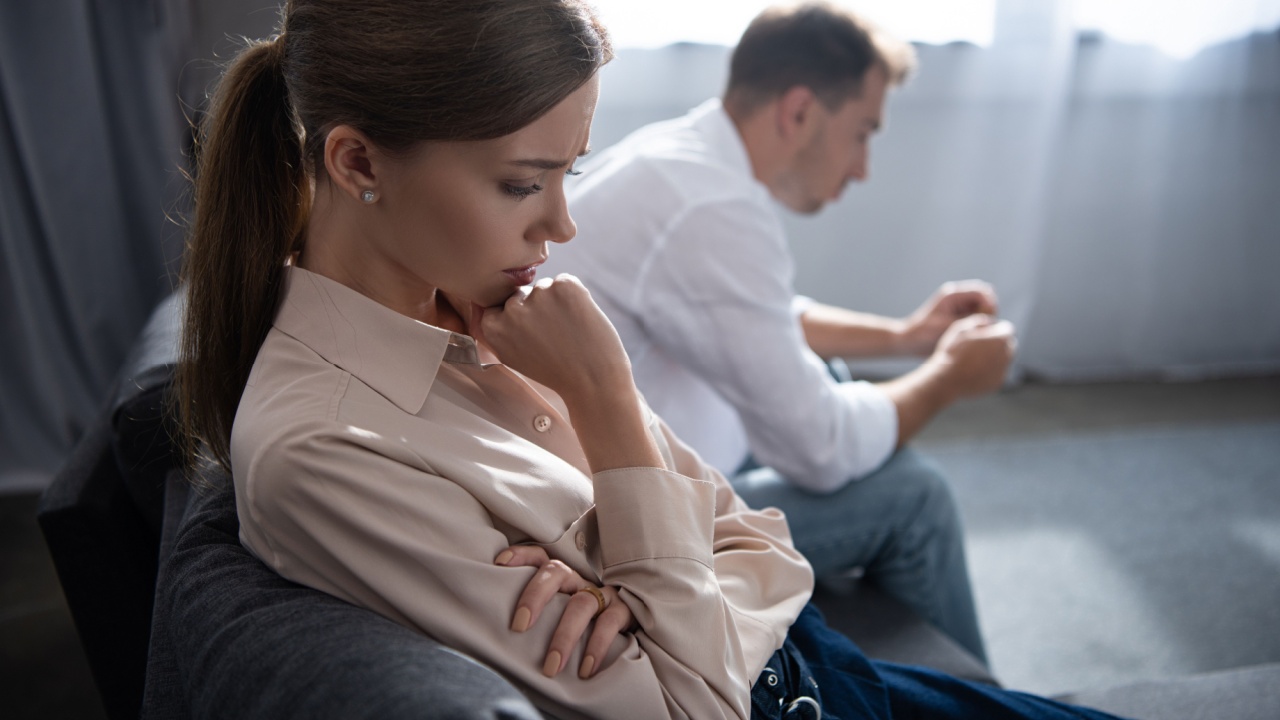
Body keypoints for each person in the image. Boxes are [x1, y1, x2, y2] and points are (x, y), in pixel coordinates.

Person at [173, 1, 1124, 718]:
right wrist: (606, 399)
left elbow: (769, 546)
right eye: (521, 183)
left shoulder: (483, 309)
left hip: (813, 661)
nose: (563, 224)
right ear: (359, 165)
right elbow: (699, 705)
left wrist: (646, 594)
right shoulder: (325, 448)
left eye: (567, 173)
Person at [541, 0, 1014, 662]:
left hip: (629, 465)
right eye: (862, 133)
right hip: (618, 527)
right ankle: (977, 704)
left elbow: (759, 315)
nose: (863, 167)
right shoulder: (711, 206)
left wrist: (909, 336)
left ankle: (865, 656)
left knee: (840, 389)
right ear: (798, 112)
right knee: (915, 496)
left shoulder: (678, 156)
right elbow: (818, 449)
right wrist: (948, 378)